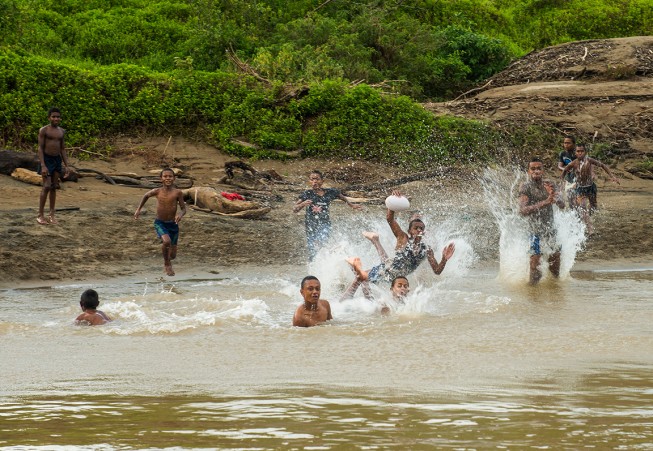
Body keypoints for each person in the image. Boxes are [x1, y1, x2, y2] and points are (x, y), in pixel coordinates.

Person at [354, 191, 455, 285]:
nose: (419, 230)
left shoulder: (427, 249)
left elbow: (437, 271)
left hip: (397, 278)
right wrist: (393, 201)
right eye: (416, 228)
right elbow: (390, 219)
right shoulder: (403, 238)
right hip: (385, 271)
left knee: (382, 264)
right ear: (409, 231)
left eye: (421, 228)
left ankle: (375, 240)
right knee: (359, 279)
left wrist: (444, 259)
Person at [293, 170, 362, 261]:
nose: (314, 181)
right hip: (311, 226)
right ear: (309, 181)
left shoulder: (330, 192)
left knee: (321, 242)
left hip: (325, 224)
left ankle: (327, 259)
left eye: (317, 179)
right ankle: (313, 267)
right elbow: (294, 209)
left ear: (322, 181)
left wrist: (351, 205)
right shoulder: (307, 194)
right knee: (312, 249)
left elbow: (341, 196)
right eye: (312, 179)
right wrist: (302, 204)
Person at [519, 157, 566, 285]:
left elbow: (562, 205)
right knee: (535, 265)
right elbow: (522, 211)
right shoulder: (526, 187)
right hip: (534, 230)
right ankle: (532, 294)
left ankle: (555, 291)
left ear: (543, 170)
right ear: (528, 171)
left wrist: (556, 199)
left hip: (550, 228)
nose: (536, 171)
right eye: (533, 169)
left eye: (539, 168)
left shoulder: (550, 184)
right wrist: (545, 202)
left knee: (555, 262)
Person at [134, 168, 187, 276]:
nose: (168, 178)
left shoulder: (178, 192)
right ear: (161, 179)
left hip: (173, 224)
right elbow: (146, 195)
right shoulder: (157, 191)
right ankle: (167, 264)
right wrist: (138, 209)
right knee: (166, 242)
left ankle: (168, 258)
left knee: (173, 255)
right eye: (165, 176)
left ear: (174, 178)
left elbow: (183, 209)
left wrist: (180, 215)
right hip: (160, 222)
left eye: (170, 176)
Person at [561, 143, 620, 235]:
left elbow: (603, 165)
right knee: (583, 207)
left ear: (585, 152)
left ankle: (586, 217)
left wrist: (612, 176)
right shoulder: (574, 163)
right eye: (578, 151)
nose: (580, 153)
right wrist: (562, 183)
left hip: (591, 187)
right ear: (575, 153)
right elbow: (565, 170)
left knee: (593, 207)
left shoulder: (589, 160)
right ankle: (590, 228)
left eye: (582, 151)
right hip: (580, 189)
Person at [341, 256, 410, 315]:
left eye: (405, 286)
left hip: (368, 307)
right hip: (368, 308)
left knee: (365, 294)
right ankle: (358, 274)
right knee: (343, 304)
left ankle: (358, 272)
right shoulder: (388, 301)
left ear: (408, 290)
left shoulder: (409, 302)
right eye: (399, 286)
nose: (403, 288)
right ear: (392, 289)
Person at [37, 107, 70, 225]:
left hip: (57, 160)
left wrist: (67, 165)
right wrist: (43, 165)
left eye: (58, 117)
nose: (56, 118)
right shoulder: (44, 130)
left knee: (54, 187)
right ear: (49, 118)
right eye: (53, 116)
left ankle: (51, 215)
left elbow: (62, 148)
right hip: (47, 159)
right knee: (46, 186)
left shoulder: (61, 131)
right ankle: (40, 215)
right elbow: (40, 148)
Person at [557, 135, 577, 207]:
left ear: (574, 144)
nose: (566, 145)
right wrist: (565, 169)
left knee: (575, 197)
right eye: (565, 143)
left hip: (577, 178)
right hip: (568, 177)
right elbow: (559, 166)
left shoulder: (577, 154)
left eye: (568, 143)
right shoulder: (563, 154)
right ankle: (573, 213)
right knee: (569, 196)